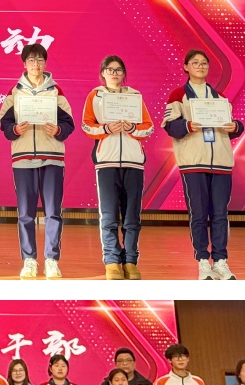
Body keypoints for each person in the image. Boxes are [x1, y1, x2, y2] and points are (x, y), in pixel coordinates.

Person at [162, 50, 245, 280]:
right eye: (195, 62)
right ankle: (202, 260)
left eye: (204, 63)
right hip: (193, 162)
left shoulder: (219, 97)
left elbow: (231, 126)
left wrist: (236, 126)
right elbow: (169, 126)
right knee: (198, 214)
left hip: (221, 162)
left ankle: (220, 261)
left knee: (220, 214)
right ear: (186, 67)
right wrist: (188, 125)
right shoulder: (178, 95)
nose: (200, 66)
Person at [0, 43, 76, 279]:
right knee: (26, 214)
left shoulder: (56, 91)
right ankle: (29, 260)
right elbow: (4, 123)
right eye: (31, 60)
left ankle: (51, 260)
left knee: (53, 212)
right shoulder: (15, 92)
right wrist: (15, 129)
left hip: (52, 157)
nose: (36, 64)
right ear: (24, 64)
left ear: (45, 62)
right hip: (23, 158)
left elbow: (69, 123)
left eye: (40, 60)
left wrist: (58, 130)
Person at [81, 56, 154, 280]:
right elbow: (86, 125)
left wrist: (132, 128)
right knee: (109, 215)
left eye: (119, 70)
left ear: (124, 74)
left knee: (132, 217)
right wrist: (106, 128)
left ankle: (130, 261)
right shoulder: (95, 96)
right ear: (103, 73)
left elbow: (148, 127)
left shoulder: (134, 96)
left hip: (133, 162)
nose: (114, 73)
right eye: (110, 69)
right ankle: (112, 261)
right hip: (106, 162)